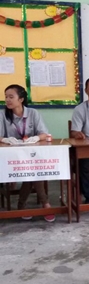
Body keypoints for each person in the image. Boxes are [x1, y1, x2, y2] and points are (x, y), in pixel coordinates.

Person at [0, 84, 55, 222]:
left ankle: (22, 205)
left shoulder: (33, 113)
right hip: (11, 157)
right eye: (6, 97)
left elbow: (44, 134)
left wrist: (36, 137)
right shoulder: (2, 115)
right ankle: (45, 204)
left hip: (31, 154)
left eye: (11, 97)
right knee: (34, 169)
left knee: (33, 168)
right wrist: (6, 139)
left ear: (21, 99)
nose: (7, 100)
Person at [70, 76, 89, 204]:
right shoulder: (80, 109)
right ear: (86, 91)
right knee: (82, 166)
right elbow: (74, 131)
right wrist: (77, 134)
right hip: (88, 147)